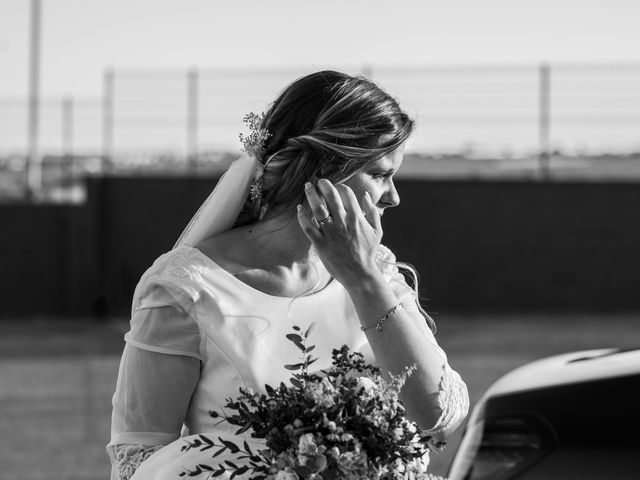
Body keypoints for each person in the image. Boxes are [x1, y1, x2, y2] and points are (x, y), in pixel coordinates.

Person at [107, 70, 469, 480]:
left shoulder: (378, 270)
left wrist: (364, 279)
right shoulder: (185, 291)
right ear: (323, 170)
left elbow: (438, 416)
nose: (394, 196)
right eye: (381, 174)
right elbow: (138, 461)